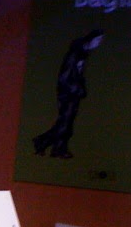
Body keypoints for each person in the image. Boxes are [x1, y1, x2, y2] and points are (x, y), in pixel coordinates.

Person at [32, 29, 104, 159]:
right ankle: (54, 147)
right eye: (98, 39)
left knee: (65, 122)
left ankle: (46, 143)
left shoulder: (81, 53)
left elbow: (76, 74)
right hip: (68, 93)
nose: (99, 43)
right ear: (91, 38)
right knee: (65, 123)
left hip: (71, 92)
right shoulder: (75, 54)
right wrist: (76, 89)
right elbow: (65, 76)